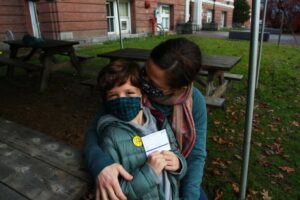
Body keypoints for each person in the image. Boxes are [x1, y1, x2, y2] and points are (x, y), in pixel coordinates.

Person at [84, 37, 208, 200]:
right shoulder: (130, 90)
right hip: (139, 182)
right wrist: (100, 165)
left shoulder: (194, 102)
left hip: (173, 178)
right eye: (145, 71)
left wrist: (188, 194)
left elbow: (196, 156)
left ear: (177, 89)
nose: (144, 82)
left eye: (153, 83)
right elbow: (94, 131)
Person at [95, 59, 187, 199]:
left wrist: (179, 164)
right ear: (107, 101)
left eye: (129, 93)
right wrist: (149, 172)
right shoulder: (110, 136)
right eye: (113, 95)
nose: (122, 99)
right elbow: (117, 192)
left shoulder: (160, 121)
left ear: (143, 97)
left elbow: (175, 152)